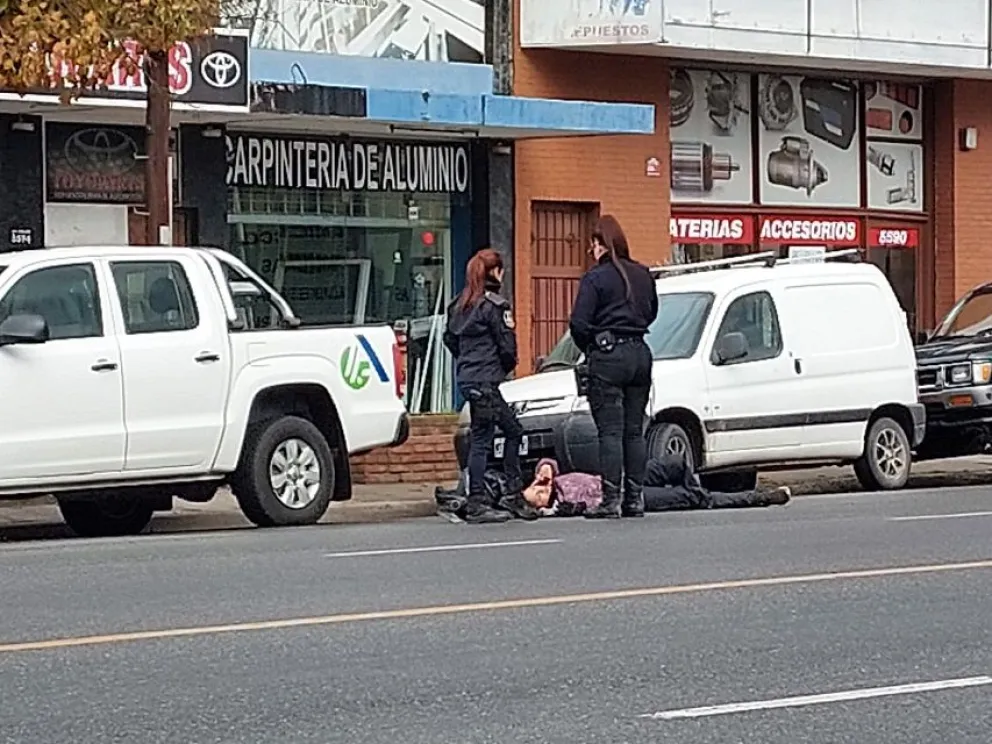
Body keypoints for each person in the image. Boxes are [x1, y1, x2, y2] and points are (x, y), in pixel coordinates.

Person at [568, 215, 659, 519]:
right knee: (634, 431)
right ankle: (635, 499)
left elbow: (579, 323)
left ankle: (611, 499)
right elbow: (652, 313)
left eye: (591, 246)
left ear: (600, 245)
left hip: (608, 355)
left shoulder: (596, 278)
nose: (590, 252)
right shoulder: (643, 274)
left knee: (609, 431)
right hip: (640, 353)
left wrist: (593, 347)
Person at [443, 248, 536, 524]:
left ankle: (499, 494)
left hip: (469, 378)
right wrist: (501, 368)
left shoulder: (458, 305)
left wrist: (469, 364)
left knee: (504, 431)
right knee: (488, 438)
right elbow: (507, 346)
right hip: (486, 380)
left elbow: (450, 340)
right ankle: (483, 500)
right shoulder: (495, 305)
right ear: (495, 272)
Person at [520, 457, 791, 516]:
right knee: (690, 497)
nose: (543, 491)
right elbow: (584, 507)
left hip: (622, 477)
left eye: (537, 488)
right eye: (540, 497)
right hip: (628, 496)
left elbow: (548, 462)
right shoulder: (562, 508)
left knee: (675, 465)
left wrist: (544, 471)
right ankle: (763, 497)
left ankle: (698, 494)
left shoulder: (552, 478)